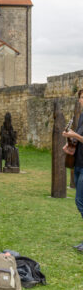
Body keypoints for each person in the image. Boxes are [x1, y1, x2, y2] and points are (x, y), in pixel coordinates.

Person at [63, 89, 83, 250]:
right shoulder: (82, 116)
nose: (82, 100)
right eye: (82, 97)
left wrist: (74, 135)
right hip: (78, 163)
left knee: (80, 201)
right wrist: (70, 141)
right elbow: (78, 139)